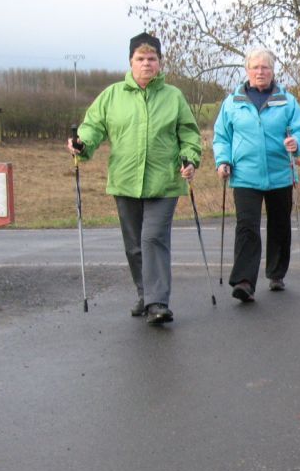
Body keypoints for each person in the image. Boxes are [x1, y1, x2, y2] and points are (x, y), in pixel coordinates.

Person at [67, 32, 201, 325]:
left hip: (165, 180)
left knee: (153, 237)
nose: (146, 64)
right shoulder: (112, 95)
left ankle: (158, 302)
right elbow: (93, 127)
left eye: (152, 58)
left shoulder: (173, 96)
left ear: (160, 62)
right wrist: (82, 144)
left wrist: (190, 158)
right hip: (126, 180)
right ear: (131, 62)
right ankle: (144, 293)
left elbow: (189, 134)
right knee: (134, 244)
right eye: (140, 59)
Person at [213, 48, 300, 302]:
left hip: (280, 173)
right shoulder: (232, 102)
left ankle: (276, 273)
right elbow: (222, 136)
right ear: (247, 71)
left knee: (280, 225)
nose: (260, 72)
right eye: (255, 67)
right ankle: (244, 281)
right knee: (247, 227)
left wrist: (296, 143)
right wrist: (223, 161)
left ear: (272, 71)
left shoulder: (287, 101)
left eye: (265, 67)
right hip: (245, 174)